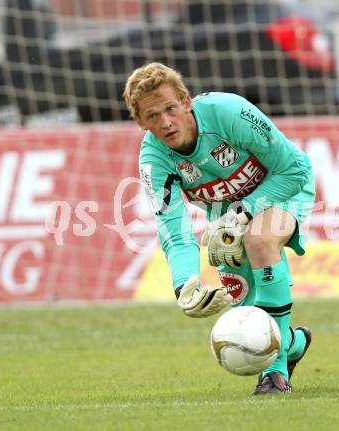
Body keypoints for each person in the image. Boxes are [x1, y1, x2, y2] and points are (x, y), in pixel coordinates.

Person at [123, 62, 316, 395]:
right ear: (140, 122)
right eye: (153, 116)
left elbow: (294, 169)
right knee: (245, 303)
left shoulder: (229, 113)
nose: (166, 122)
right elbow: (174, 229)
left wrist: (242, 211)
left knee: (259, 238)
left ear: (186, 101)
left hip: (284, 188)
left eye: (170, 108)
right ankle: (292, 343)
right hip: (228, 216)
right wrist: (184, 285)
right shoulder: (154, 160)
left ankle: (274, 374)